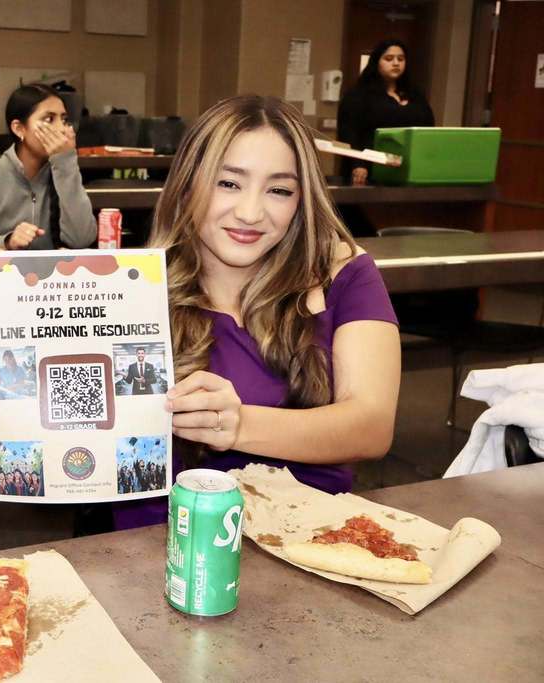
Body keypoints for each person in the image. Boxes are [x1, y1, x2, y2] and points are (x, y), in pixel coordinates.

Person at [114, 95, 400, 529]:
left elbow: (372, 425)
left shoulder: (342, 273)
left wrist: (238, 423)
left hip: (313, 542)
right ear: (189, 183)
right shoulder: (128, 291)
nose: (250, 213)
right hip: (162, 549)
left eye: (279, 191)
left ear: (302, 201)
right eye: (228, 183)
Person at [0, 84, 96, 254]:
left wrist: (66, 164)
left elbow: (82, 240)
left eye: (64, 120)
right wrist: (6, 242)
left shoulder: (64, 173)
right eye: (49, 119)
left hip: (53, 278)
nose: (61, 129)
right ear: (19, 128)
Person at [337, 39, 435, 187]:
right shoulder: (358, 95)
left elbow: (428, 129)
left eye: (401, 59)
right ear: (377, 62)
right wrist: (358, 164)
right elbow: (349, 133)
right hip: (369, 169)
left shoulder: (415, 95)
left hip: (409, 170)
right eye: (389, 59)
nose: (396, 63)